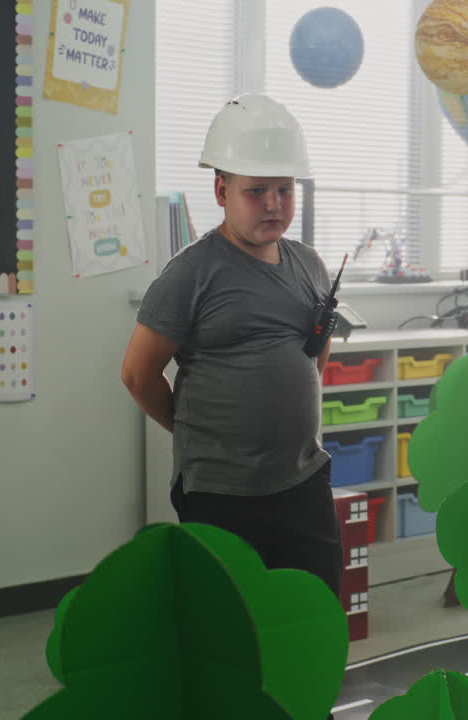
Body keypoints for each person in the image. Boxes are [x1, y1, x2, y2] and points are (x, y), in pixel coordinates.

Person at [120, 93, 342, 598]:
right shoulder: (191, 273)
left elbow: (315, 354)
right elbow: (138, 374)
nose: (273, 205)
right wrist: (194, 428)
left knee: (312, 614)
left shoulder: (310, 264)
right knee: (230, 627)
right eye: (256, 191)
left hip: (303, 478)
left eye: (284, 191)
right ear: (221, 191)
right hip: (223, 492)